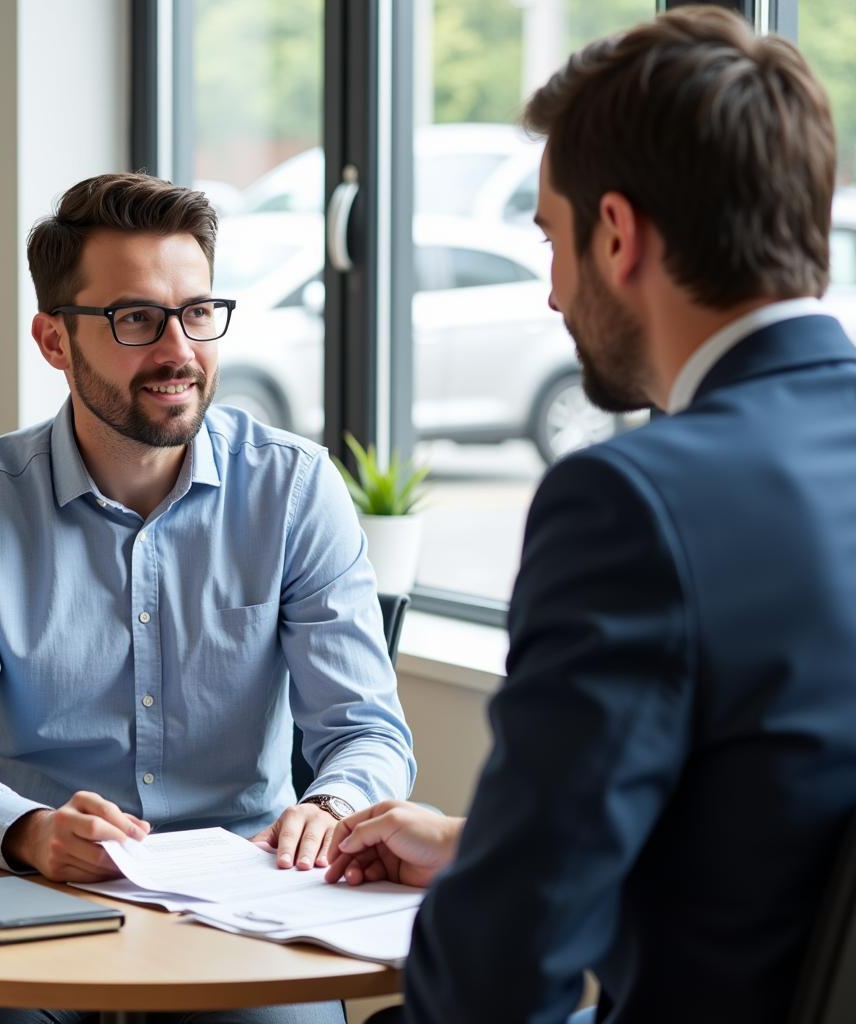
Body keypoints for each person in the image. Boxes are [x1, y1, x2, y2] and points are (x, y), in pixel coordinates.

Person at [325, 6, 856, 1023]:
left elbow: (499, 974)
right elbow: (772, 813)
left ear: (616, 234)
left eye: (549, 243)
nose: (553, 296)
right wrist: (479, 839)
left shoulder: (634, 503)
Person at [0, 172, 415, 1024]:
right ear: (54, 341)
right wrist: (28, 832)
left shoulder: (293, 489)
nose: (179, 351)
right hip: (34, 908)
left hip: (246, 913)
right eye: (136, 319)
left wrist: (331, 805)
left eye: (198, 313)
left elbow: (366, 733)